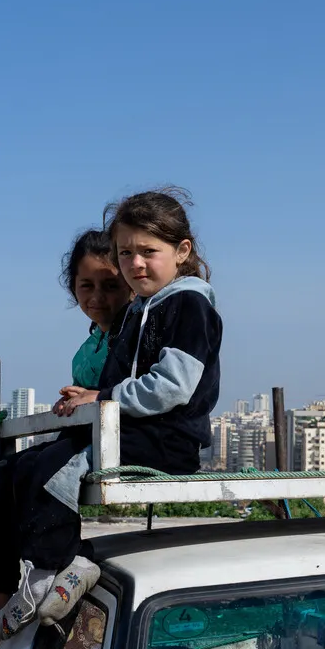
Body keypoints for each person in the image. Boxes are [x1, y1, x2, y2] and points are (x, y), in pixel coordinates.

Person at [0, 228, 131, 649]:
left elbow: (124, 390)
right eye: (86, 286)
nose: (98, 296)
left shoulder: (133, 334)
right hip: (80, 432)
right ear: (73, 288)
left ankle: (38, 575)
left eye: (110, 285)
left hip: (111, 440)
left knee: (38, 475)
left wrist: (95, 395)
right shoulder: (92, 341)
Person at [59, 186, 222, 476]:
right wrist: (87, 396)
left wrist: (100, 398)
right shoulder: (135, 315)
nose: (135, 263)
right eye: (125, 253)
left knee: (48, 473)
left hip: (165, 443)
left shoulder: (189, 305)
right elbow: (122, 381)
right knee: (8, 473)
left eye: (148, 251)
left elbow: (171, 387)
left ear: (181, 251)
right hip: (128, 435)